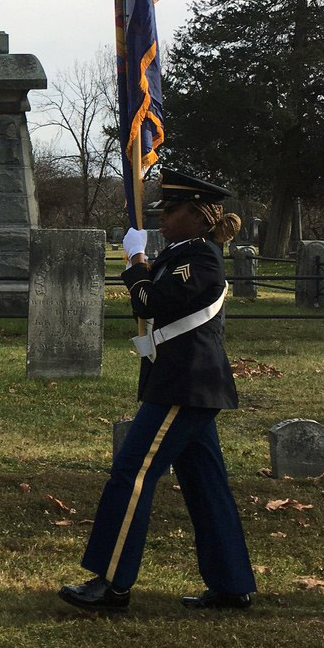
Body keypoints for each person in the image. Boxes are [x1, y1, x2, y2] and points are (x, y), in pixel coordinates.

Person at [59, 168, 256, 612]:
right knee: (206, 484)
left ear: (198, 215)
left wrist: (135, 264)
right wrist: (144, 265)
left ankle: (111, 583)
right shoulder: (180, 253)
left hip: (184, 386)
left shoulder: (201, 257)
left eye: (171, 210)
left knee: (132, 473)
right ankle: (230, 583)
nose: (162, 218)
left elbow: (151, 302)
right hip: (182, 384)